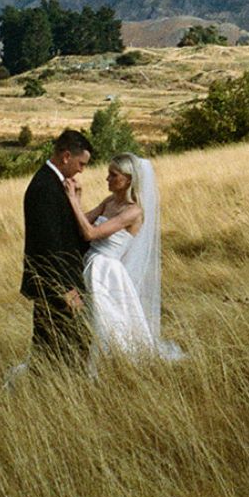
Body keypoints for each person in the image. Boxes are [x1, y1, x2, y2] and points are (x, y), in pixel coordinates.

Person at [65, 152, 183, 371]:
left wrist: (72, 200)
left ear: (128, 180)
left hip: (106, 270)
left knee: (106, 322)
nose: (107, 179)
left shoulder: (134, 211)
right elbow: (80, 226)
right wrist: (77, 201)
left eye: (113, 175)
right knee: (90, 320)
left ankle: (106, 368)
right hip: (91, 263)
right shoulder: (109, 202)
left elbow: (91, 233)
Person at [18, 129, 92, 366]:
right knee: (63, 347)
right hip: (54, 286)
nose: (82, 169)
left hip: (58, 283)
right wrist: (66, 289)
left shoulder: (56, 183)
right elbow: (48, 245)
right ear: (66, 156)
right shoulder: (44, 188)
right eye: (81, 163)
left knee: (55, 347)